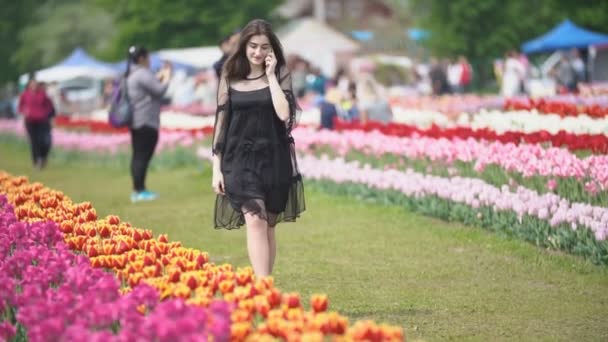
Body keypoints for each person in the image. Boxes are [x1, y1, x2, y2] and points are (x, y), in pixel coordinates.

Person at [211, 19, 305, 278]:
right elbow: (221, 122)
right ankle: (264, 288)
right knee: (255, 220)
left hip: (274, 159)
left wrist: (272, 76)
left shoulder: (281, 73)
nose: (258, 52)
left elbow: (284, 114)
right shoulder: (229, 75)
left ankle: (265, 282)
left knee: (269, 225)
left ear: (272, 49)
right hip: (238, 160)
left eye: (264, 47)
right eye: (253, 46)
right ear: (243, 46)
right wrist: (216, 168)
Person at [126, 46, 171, 202]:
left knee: (138, 156)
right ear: (141, 59)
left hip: (136, 120)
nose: (150, 60)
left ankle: (137, 190)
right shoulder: (142, 73)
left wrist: (159, 76)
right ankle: (140, 191)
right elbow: (159, 90)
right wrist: (167, 75)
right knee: (142, 157)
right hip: (146, 120)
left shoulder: (132, 73)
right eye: (148, 57)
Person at [18, 77, 55, 170]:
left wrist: (46, 114)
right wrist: (24, 111)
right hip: (30, 121)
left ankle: (43, 157)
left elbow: (49, 106)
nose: (33, 86)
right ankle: (37, 160)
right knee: (34, 142)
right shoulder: (25, 95)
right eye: (32, 84)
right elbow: (20, 107)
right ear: (29, 85)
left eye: (35, 84)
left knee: (45, 141)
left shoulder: (42, 94)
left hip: (42, 121)